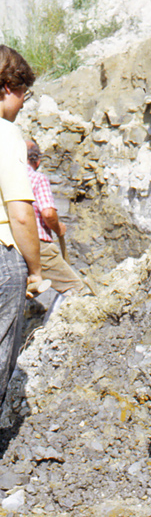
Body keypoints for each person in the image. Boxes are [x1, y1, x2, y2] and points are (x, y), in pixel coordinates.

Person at [0, 45, 42, 410]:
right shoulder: (6, 133)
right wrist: (35, 269)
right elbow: (21, 213)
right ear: (7, 88)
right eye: (23, 92)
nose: (24, 102)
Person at [25, 139, 86, 316]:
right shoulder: (37, 178)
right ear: (37, 161)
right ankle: (55, 336)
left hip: (11, 245)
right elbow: (48, 214)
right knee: (74, 287)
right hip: (38, 246)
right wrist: (58, 228)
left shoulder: (7, 178)